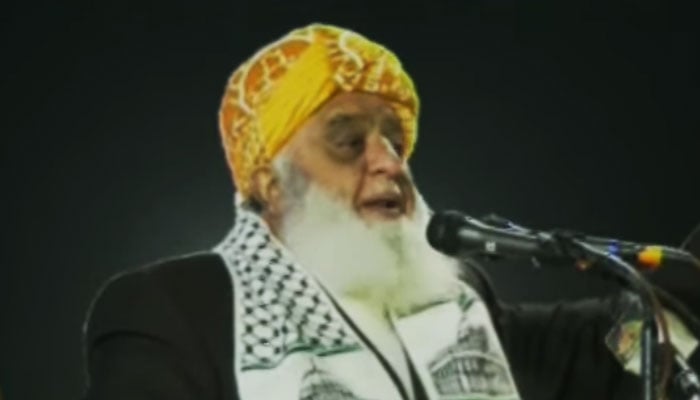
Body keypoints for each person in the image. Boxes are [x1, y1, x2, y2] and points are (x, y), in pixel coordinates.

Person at [82, 23, 699, 400]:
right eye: (348, 142)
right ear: (269, 182)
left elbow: (607, 341)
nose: (389, 162)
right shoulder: (173, 310)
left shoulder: (457, 306)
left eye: (396, 142)